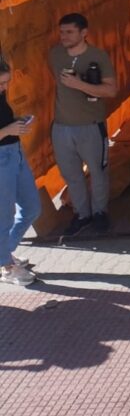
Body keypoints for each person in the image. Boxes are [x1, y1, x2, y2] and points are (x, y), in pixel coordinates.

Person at [50, 12, 117, 237]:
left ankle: (100, 213)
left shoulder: (98, 56)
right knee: (71, 175)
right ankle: (82, 214)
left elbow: (111, 90)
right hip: (61, 126)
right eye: (62, 32)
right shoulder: (55, 54)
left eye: (69, 32)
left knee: (98, 171)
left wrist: (80, 84)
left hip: (91, 125)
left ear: (84, 33)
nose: (64, 36)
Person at [0, 58, 40, 286]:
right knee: (3, 216)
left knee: (32, 208)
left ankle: (4, 252)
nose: (4, 87)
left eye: (6, 82)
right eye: (0, 83)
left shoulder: (1, 96)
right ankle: (6, 267)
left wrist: (17, 122)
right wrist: (9, 129)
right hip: (1, 159)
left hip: (15, 153)